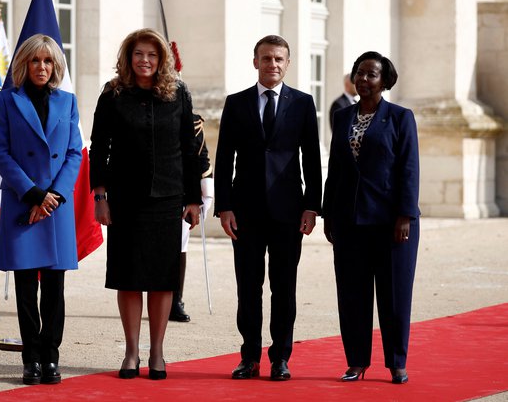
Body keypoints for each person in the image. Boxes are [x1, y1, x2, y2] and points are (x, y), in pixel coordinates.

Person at [89, 28, 201, 380]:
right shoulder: (113, 94)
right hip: (124, 199)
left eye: (152, 55)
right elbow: (99, 148)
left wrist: (194, 198)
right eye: (139, 54)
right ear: (128, 56)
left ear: (162, 59)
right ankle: (131, 352)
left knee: (162, 279)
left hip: (168, 199)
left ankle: (157, 352)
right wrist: (100, 197)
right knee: (129, 277)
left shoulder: (178, 93)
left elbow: (189, 146)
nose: (145, 60)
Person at [214, 34, 322, 381]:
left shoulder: (303, 104)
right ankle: (249, 357)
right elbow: (223, 157)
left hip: (288, 212)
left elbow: (313, 159)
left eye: (278, 59)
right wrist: (224, 207)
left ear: (287, 63)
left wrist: (312, 207)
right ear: (255, 61)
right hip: (244, 212)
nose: (272, 64)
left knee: (283, 287)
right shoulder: (236, 103)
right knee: (248, 288)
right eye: (266, 58)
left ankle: (280, 357)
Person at [323, 51, 420, 385]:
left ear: (384, 80)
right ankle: (356, 361)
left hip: (391, 223)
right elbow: (335, 169)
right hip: (349, 221)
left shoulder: (400, 117)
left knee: (394, 296)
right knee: (352, 294)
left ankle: (397, 363)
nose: (364, 80)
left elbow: (409, 168)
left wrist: (405, 214)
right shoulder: (342, 116)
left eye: (371, 74)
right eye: (359, 73)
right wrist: (328, 213)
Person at [0, 34, 83, 386]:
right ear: (24, 65)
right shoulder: (7, 101)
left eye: (47, 61)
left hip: (55, 207)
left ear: (55, 66)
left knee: (55, 291)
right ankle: (31, 359)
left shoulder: (68, 101)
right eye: (35, 61)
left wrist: (54, 196)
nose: (41, 67)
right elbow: (1, 152)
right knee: (27, 289)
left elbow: (74, 153)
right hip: (22, 201)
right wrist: (33, 195)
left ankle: (51, 356)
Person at [170, 113, 214, 323]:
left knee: (179, 242)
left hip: (180, 191)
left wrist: (206, 193)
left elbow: (200, 157)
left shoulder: (191, 120)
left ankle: (175, 300)